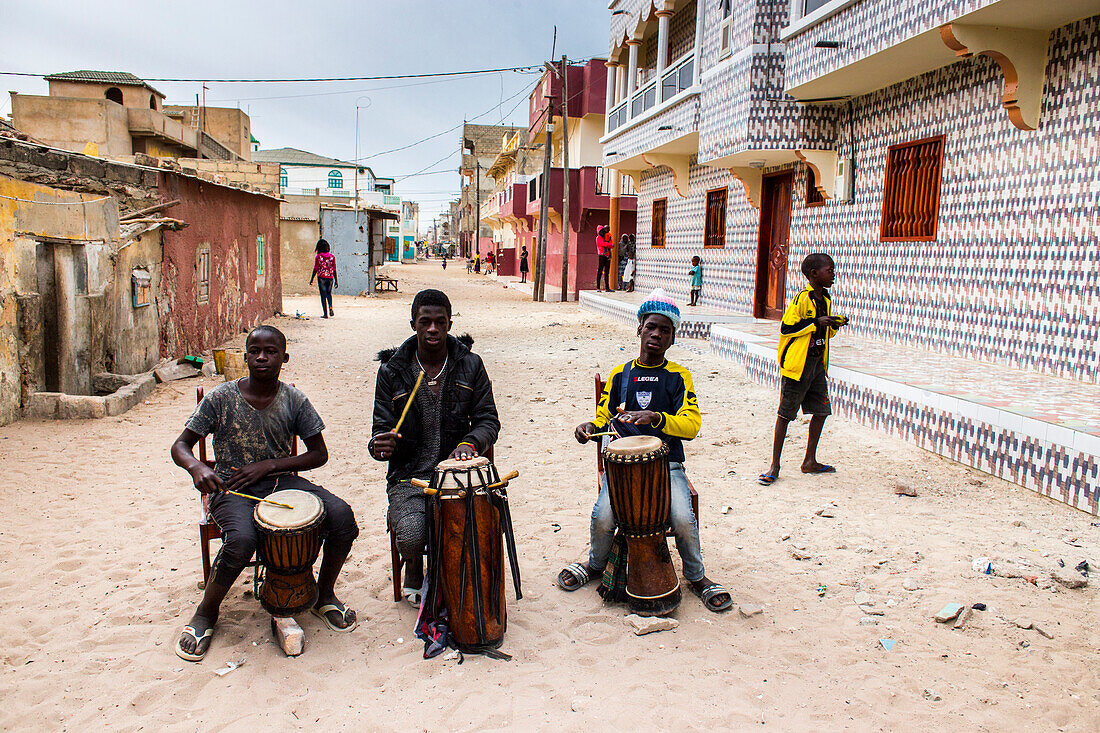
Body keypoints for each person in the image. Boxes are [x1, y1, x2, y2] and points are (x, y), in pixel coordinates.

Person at [171, 325, 359, 662]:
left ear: (284, 358)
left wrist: (271, 465)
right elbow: (181, 446)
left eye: (270, 351)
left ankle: (324, 595)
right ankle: (206, 613)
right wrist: (198, 468)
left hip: (282, 482)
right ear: (245, 356)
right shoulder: (221, 397)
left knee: (343, 516)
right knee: (242, 540)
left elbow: (319, 454)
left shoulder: (294, 399)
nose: (262, 357)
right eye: (254, 351)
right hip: (233, 489)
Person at [557, 289, 732, 613]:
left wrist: (657, 418)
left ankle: (697, 577)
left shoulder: (678, 376)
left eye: (664, 330)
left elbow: (692, 425)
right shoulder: (620, 374)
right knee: (603, 516)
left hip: (667, 465)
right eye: (651, 327)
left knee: (682, 519)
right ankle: (596, 565)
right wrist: (589, 429)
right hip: (622, 470)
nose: (656, 334)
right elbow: (603, 417)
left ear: (672, 338)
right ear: (639, 329)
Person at [370, 289, 500, 606]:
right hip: (408, 477)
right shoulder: (392, 371)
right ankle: (414, 566)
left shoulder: (470, 365)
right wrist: (380, 445)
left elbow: (488, 420)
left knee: (474, 530)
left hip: (457, 476)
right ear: (413, 323)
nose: (432, 329)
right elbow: (378, 433)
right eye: (424, 322)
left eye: (439, 322)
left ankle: (449, 569)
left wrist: (469, 443)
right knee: (413, 537)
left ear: (449, 324)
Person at [758, 253, 848, 486]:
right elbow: (787, 328)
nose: (833, 274)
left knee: (821, 411)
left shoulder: (825, 299)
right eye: (830, 270)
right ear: (814, 274)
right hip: (798, 366)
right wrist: (816, 323)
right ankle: (774, 465)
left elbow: (823, 332)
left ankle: (810, 460)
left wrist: (833, 324)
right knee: (785, 415)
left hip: (817, 364)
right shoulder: (801, 299)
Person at [309, 239, 338, 318]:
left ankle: (325, 313)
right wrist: (336, 281)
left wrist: (312, 279)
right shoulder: (332, 257)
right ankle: (331, 307)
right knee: (329, 294)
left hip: (321, 277)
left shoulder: (318, 257)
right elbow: (334, 269)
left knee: (323, 295)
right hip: (330, 278)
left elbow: (316, 268)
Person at [595, 225, 613, 291]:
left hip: (607, 255)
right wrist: (610, 245)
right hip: (602, 255)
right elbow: (603, 244)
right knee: (600, 271)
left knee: (607, 272)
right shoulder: (598, 238)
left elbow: (609, 244)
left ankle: (607, 287)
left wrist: (609, 245)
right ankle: (598, 287)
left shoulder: (606, 237)